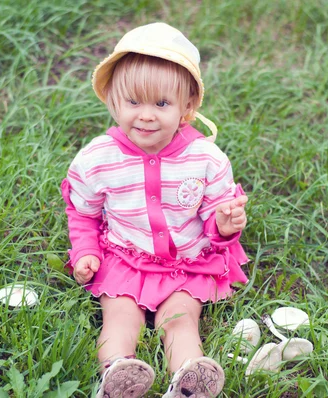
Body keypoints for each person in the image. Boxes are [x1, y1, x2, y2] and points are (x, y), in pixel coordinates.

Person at [61, 22, 249, 398]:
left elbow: (213, 216)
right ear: (113, 99)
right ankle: (117, 374)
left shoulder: (206, 159)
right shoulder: (98, 159)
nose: (145, 115)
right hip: (125, 257)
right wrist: (85, 251)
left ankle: (189, 380)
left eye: (161, 104)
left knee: (179, 319)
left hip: (185, 261)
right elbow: (83, 212)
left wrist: (225, 224)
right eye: (133, 102)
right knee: (120, 316)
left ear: (188, 108)